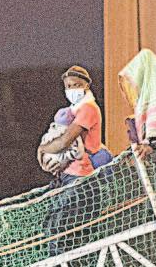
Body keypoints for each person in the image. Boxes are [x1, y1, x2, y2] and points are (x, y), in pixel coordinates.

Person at [37, 65, 105, 256]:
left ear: (86, 86)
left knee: (60, 230)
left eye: (76, 85)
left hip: (80, 177)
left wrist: (42, 149)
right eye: (68, 86)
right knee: (52, 226)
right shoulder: (72, 111)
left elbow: (65, 140)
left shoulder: (88, 109)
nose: (72, 90)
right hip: (67, 175)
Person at [38, 107, 84, 173]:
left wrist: (41, 149)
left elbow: (63, 144)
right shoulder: (66, 132)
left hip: (50, 159)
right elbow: (79, 154)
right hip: (55, 160)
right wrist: (78, 139)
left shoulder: (52, 131)